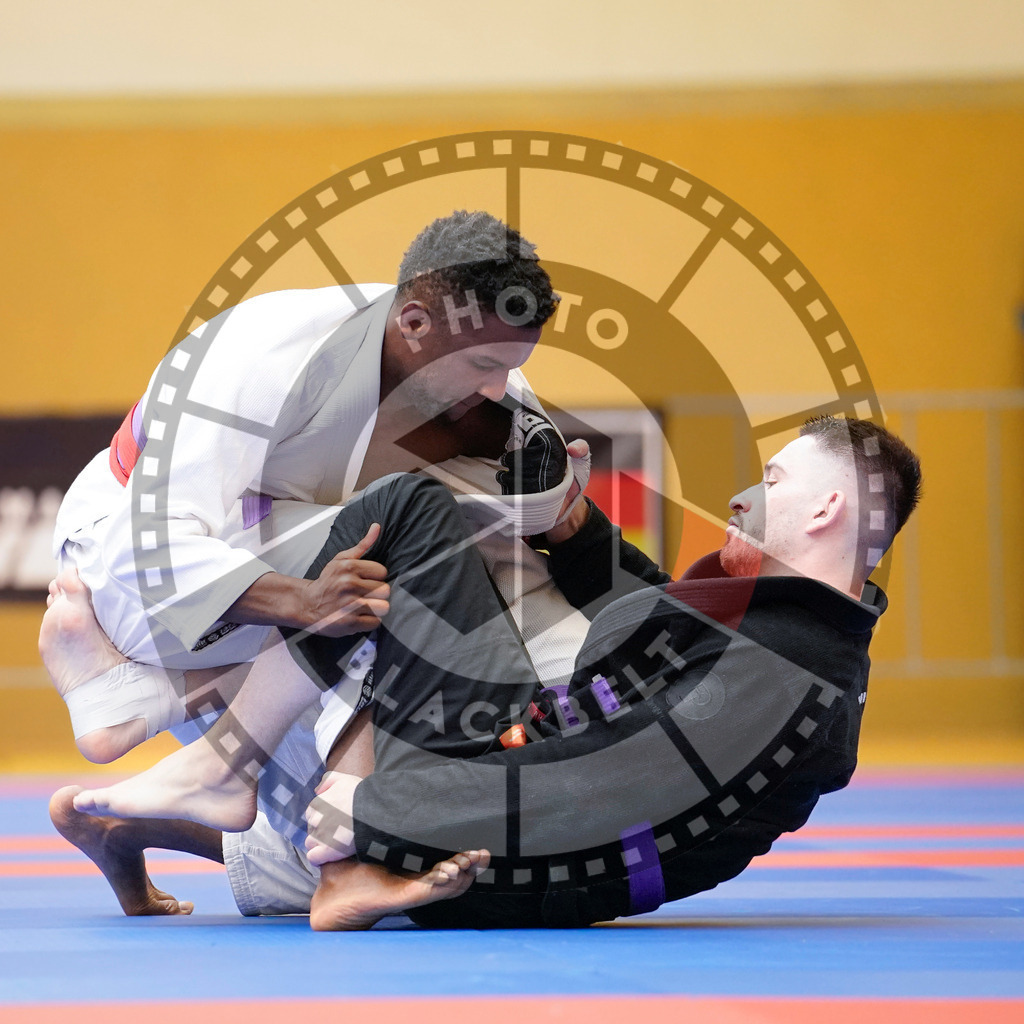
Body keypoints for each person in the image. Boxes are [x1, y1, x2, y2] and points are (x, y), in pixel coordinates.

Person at [61, 415, 921, 929]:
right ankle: (182, 799)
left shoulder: (790, 673)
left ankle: (183, 732)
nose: (743, 496)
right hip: (529, 826)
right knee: (376, 668)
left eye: (770, 478)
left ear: (826, 507)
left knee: (406, 524)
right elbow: (649, 631)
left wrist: (379, 813)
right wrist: (572, 525)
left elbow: (614, 791)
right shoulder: (784, 631)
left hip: (542, 844)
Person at [42, 209, 591, 769]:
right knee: (417, 551)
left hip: (310, 583)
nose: (499, 385)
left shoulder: (495, 397)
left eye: (511, 364)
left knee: (311, 846)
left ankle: (157, 729)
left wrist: (555, 507)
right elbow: (146, 544)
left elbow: (523, 527)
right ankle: (192, 728)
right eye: (482, 364)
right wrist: (303, 602)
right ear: (416, 323)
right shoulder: (263, 349)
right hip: (128, 567)